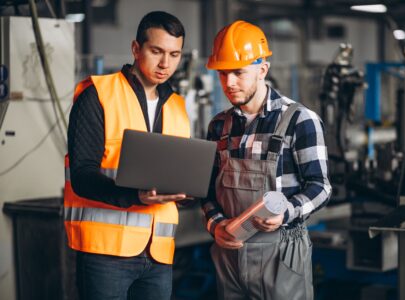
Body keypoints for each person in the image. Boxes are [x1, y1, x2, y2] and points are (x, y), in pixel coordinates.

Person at [201, 20, 332, 299]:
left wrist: (286, 212)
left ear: (263, 70)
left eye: (238, 72)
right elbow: (207, 190)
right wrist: (216, 225)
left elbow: (320, 187)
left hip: (281, 255)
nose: (229, 83)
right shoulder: (218, 126)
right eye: (222, 74)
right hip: (229, 255)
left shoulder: (299, 120)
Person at [65, 11, 190, 300]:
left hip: (158, 253)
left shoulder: (178, 106)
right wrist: (135, 196)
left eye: (174, 54)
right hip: (105, 253)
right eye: (156, 51)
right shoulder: (97, 95)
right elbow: (82, 175)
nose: (165, 63)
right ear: (136, 49)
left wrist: (188, 190)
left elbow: (175, 172)